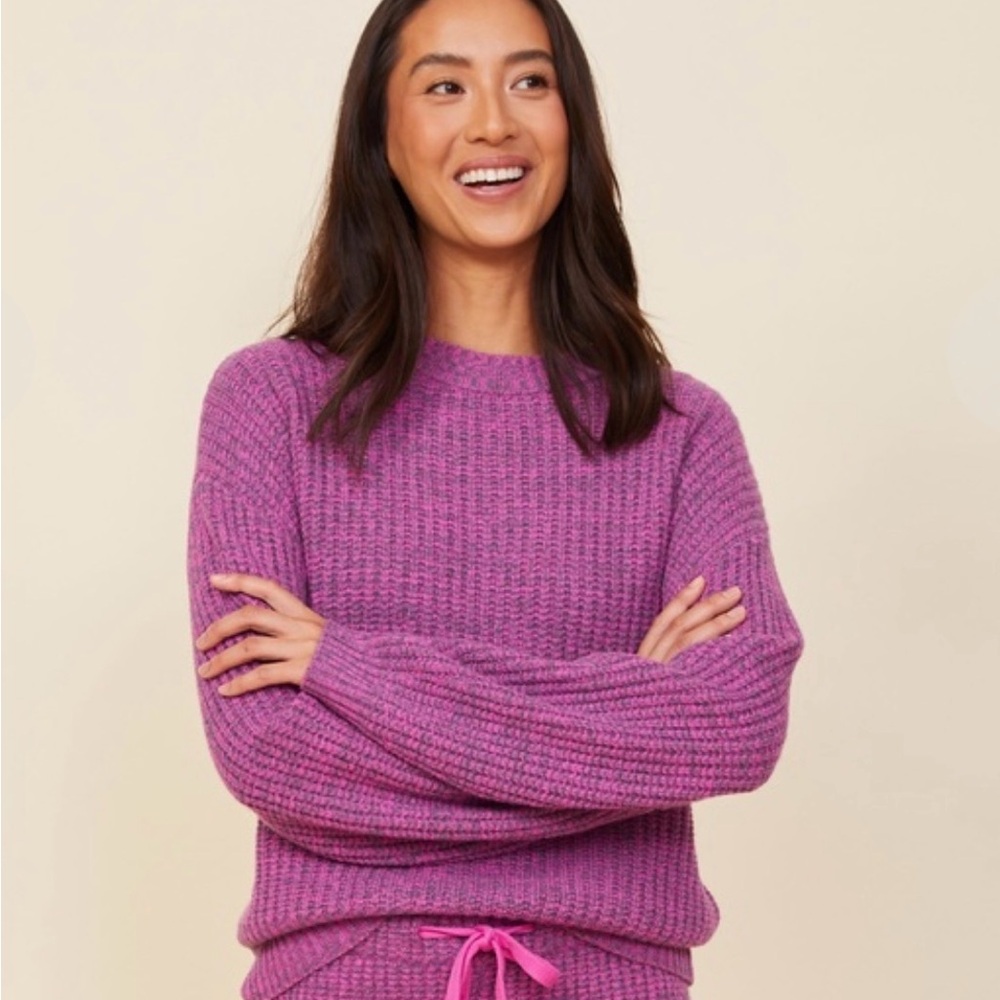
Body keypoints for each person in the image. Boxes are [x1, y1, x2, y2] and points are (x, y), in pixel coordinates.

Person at [186, 0, 804, 997]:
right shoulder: (272, 403)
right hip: (347, 978)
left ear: (574, 122)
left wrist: (349, 671)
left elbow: (731, 726)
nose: (492, 123)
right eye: (444, 85)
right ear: (380, 134)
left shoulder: (681, 430)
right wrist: (625, 711)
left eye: (529, 81)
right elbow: (274, 757)